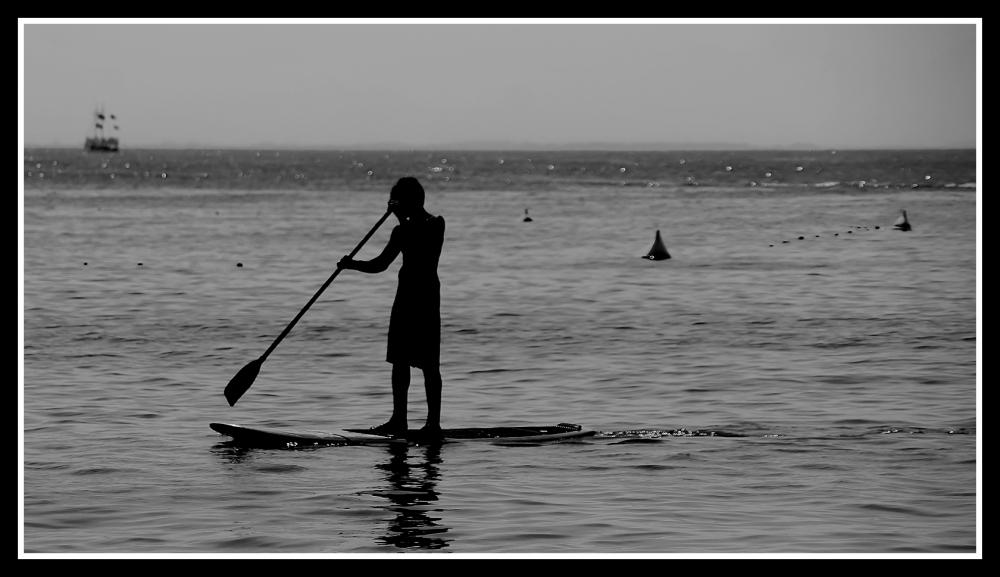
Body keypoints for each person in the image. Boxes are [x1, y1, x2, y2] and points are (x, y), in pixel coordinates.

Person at [338, 177, 445, 441]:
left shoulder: (435, 224)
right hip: (404, 297)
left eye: (397, 200)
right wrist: (353, 265)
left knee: (429, 363)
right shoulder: (400, 231)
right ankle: (399, 420)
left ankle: (433, 424)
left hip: (426, 299)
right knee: (399, 361)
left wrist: (399, 216)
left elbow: (420, 239)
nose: (393, 205)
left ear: (412, 200)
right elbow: (380, 264)